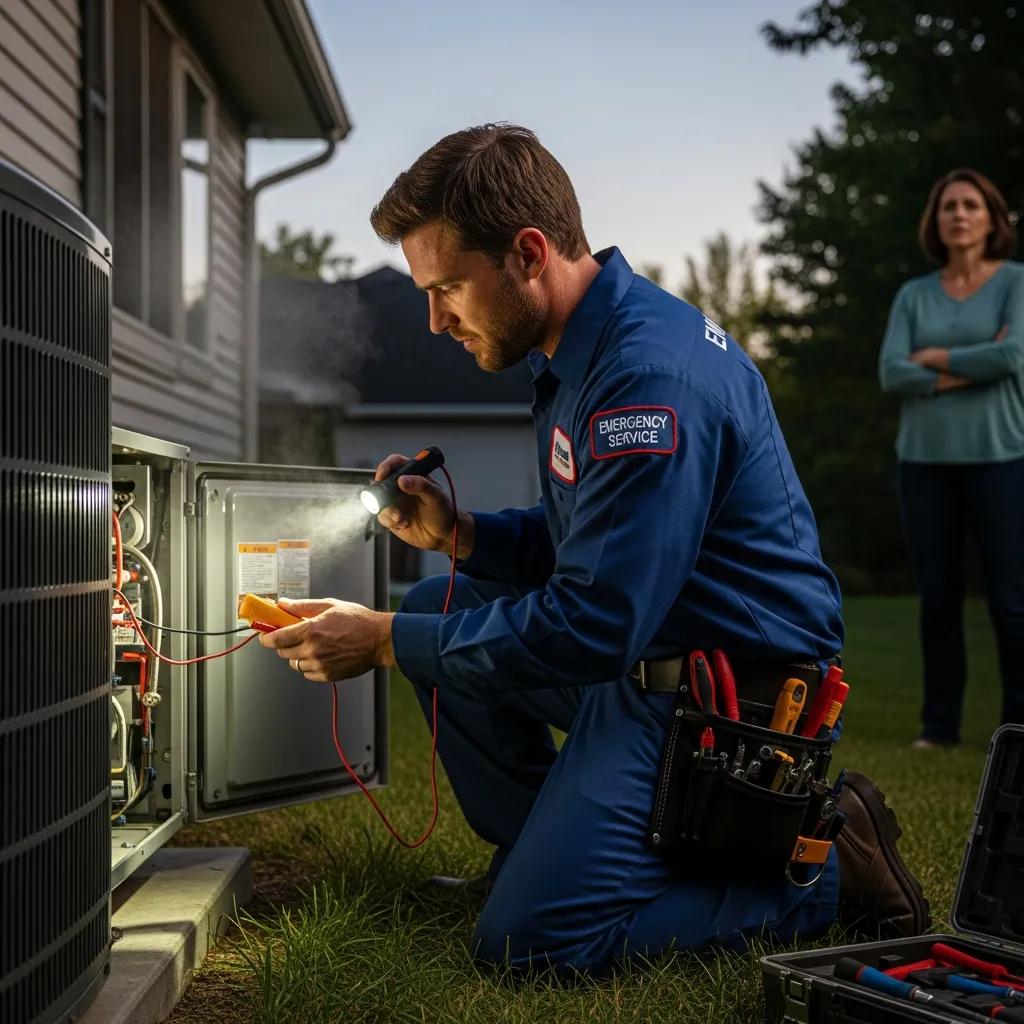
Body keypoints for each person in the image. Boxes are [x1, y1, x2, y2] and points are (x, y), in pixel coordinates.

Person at [261, 124, 929, 972]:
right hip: (653, 656)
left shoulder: (644, 380)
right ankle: (538, 851)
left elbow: (593, 622)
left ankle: (832, 875)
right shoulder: (584, 353)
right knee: (439, 601)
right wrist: (463, 535)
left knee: (531, 947)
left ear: (530, 253)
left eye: (449, 287)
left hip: (726, 697)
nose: (434, 321)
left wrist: (384, 641)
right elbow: (595, 542)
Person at [879, 168, 1023, 749]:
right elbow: (892, 372)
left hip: (1002, 456)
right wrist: (970, 364)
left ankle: (1015, 731)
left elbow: (1011, 357)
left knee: (1011, 600)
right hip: (924, 462)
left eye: (970, 205)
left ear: (992, 218)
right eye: (948, 207)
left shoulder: (1016, 282)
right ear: (935, 222)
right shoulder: (913, 294)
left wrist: (933, 359)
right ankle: (938, 729)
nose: (959, 215)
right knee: (938, 602)